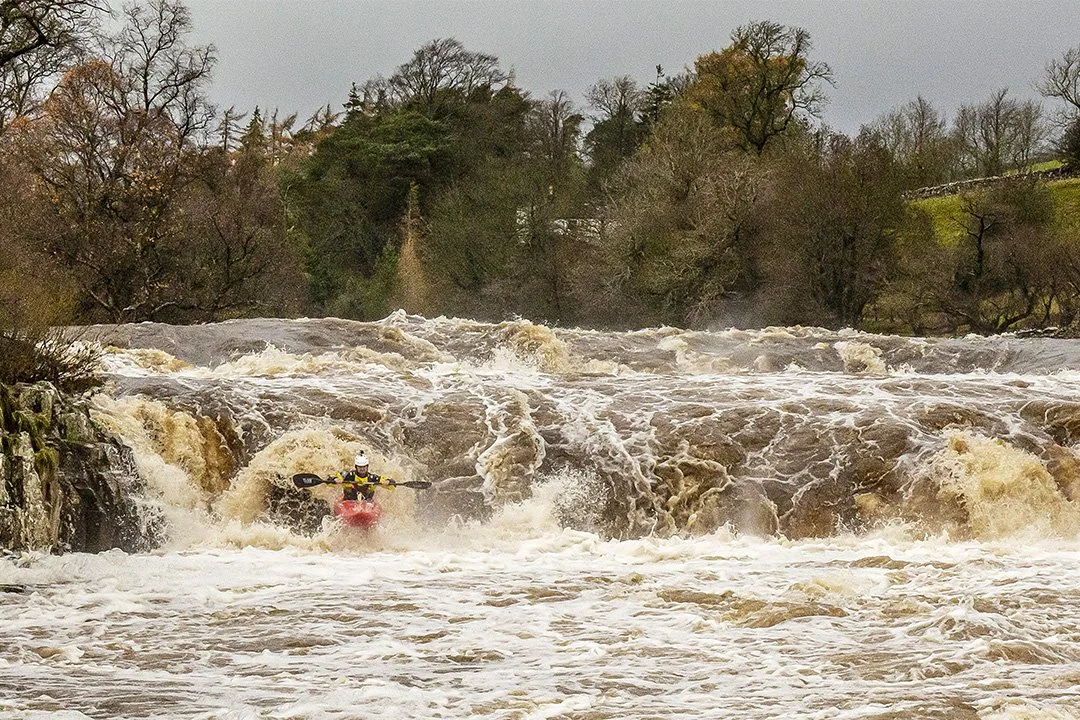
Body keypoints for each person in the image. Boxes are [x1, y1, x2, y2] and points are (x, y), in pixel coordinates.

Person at [327, 452, 396, 501]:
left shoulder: (372, 478)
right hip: (348, 503)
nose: (362, 469)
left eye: (364, 467)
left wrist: (387, 482)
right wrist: (335, 479)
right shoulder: (348, 475)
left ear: (367, 467)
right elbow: (329, 479)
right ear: (356, 467)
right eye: (360, 467)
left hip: (367, 504)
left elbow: (393, 485)